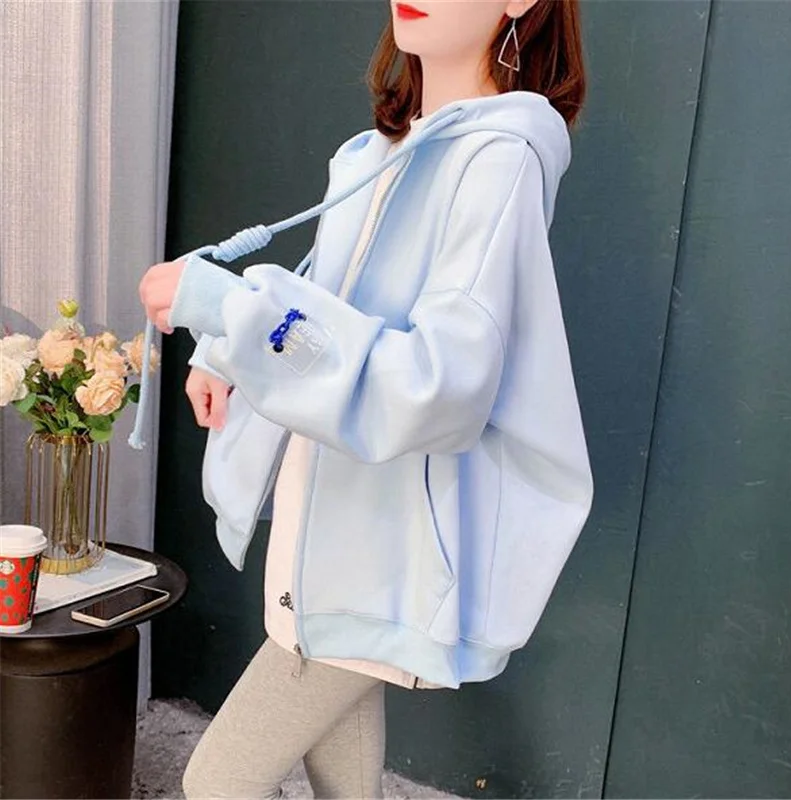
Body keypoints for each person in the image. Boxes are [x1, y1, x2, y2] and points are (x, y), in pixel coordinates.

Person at [136, 0, 593, 796]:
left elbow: (441, 383)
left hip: (386, 546)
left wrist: (229, 309)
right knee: (343, 778)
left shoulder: (499, 161)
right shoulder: (376, 154)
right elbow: (327, 304)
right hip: (330, 525)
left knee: (217, 781)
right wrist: (225, 349)